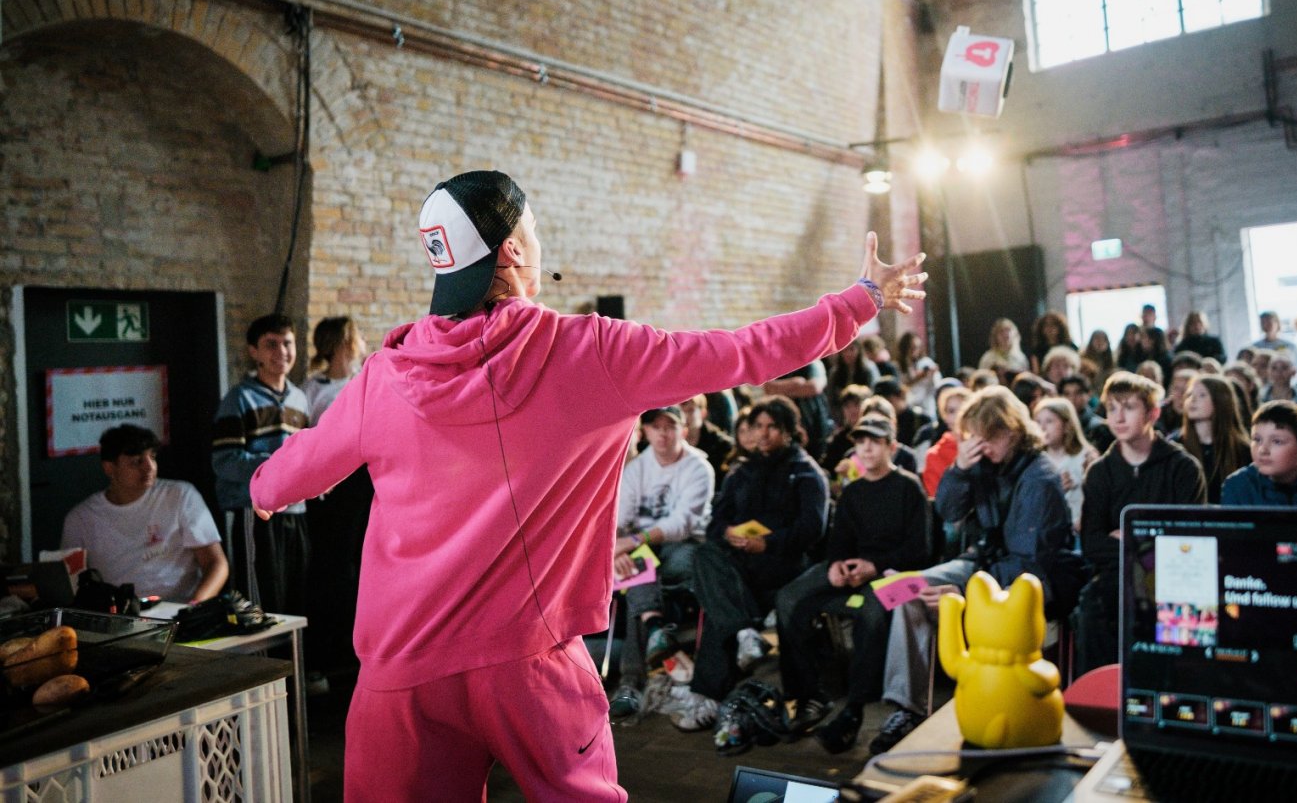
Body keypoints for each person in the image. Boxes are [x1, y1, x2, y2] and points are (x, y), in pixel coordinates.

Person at [248, 170, 928, 800]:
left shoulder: (383, 378)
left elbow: (283, 477)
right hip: (529, 665)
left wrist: (261, 488)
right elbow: (740, 352)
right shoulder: (594, 352)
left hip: (402, 674)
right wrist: (859, 301)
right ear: (512, 251)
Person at [872, 386, 1073, 754]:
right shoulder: (984, 464)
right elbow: (948, 512)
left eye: (987, 436)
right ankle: (908, 708)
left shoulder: (1039, 478)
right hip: (984, 564)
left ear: (1011, 431)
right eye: (974, 436)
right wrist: (960, 469)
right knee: (905, 592)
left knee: (926, 592)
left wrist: (965, 594)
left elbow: (1027, 563)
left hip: (1032, 580)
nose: (980, 445)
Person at [774, 416, 932, 753]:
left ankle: (854, 709)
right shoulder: (853, 491)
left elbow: (920, 550)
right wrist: (836, 565)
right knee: (789, 598)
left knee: (871, 613)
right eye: (860, 442)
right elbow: (838, 540)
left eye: (875, 441)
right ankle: (806, 694)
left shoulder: (909, 487)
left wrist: (874, 566)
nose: (867, 448)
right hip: (852, 568)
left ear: (891, 446)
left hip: (897, 574)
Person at [684, 396, 832, 740]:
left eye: (772, 427)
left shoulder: (805, 472)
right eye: (758, 426)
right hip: (742, 561)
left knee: (721, 600)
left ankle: (711, 693)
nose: (763, 434)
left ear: (788, 431)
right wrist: (728, 533)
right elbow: (715, 523)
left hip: (786, 563)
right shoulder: (742, 472)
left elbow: (813, 529)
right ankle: (744, 635)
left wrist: (770, 543)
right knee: (705, 556)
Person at [1076, 372, 1205, 672]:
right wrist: (1151, 541)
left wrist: (1129, 539)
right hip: (1116, 577)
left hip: (1173, 579)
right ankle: (1100, 694)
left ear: (1153, 413)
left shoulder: (1183, 467)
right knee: (1092, 606)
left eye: (1129, 407)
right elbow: (1092, 544)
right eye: (1112, 408)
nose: (1118, 417)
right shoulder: (1100, 472)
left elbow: (1188, 541)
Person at [608, 406, 716, 722]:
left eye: (670, 426)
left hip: (686, 547)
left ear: (684, 430)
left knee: (638, 576)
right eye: (656, 427)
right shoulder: (637, 469)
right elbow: (618, 519)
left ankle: (630, 683)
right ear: (646, 432)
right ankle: (656, 631)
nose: (663, 433)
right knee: (638, 573)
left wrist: (629, 545)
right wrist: (617, 549)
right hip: (640, 550)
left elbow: (681, 524)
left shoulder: (699, 467)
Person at [61, 424, 227, 604]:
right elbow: (69, 583)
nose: (149, 467)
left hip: (179, 608)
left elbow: (216, 563)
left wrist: (194, 606)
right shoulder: (81, 518)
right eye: (137, 462)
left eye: (152, 457)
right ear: (109, 468)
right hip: (117, 613)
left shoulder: (180, 495)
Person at [213, 313, 310, 615]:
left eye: (287, 343)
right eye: (271, 344)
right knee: (261, 605)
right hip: (255, 514)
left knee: (296, 602)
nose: (281, 351)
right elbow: (225, 461)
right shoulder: (238, 399)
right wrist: (279, 465)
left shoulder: (300, 399)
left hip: (296, 513)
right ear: (253, 351)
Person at [301, 316, 376, 681]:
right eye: (355, 337)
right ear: (341, 343)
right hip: (332, 487)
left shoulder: (367, 378)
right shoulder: (312, 388)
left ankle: (364, 649)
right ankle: (332, 654)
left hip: (368, 481)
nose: (361, 343)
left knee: (366, 563)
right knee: (334, 565)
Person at [1180, 374, 1251, 504]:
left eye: (1202, 395)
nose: (1192, 400)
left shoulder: (1242, 449)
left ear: (1220, 401)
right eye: (1189, 395)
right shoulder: (1177, 445)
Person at [1033, 397, 1096, 534]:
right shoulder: (1035, 460)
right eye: (1038, 422)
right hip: (1049, 531)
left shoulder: (1085, 457)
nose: (1042, 428)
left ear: (1067, 426)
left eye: (1049, 421)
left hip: (1079, 529)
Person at [679, 393, 735, 478]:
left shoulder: (721, 445)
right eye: (681, 411)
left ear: (703, 413)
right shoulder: (672, 441)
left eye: (690, 410)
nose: (685, 416)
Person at [1059, 372, 1113, 453]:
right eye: (1067, 394)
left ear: (1089, 394)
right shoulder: (1058, 425)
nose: (1072, 398)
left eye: (1077, 393)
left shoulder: (1100, 427)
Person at [894, 331, 939, 414]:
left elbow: (937, 387)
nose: (914, 351)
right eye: (911, 347)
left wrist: (933, 375)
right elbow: (898, 389)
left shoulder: (926, 363)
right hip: (908, 408)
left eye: (917, 347)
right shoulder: (897, 366)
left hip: (926, 407)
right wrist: (918, 378)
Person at [1028, 311, 1077, 376]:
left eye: (1053, 325)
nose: (1049, 328)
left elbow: (1076, 367)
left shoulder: (1070, 346)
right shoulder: (1037, 350)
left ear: (1060, 327)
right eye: (1046, 325)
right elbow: (1036, 372)